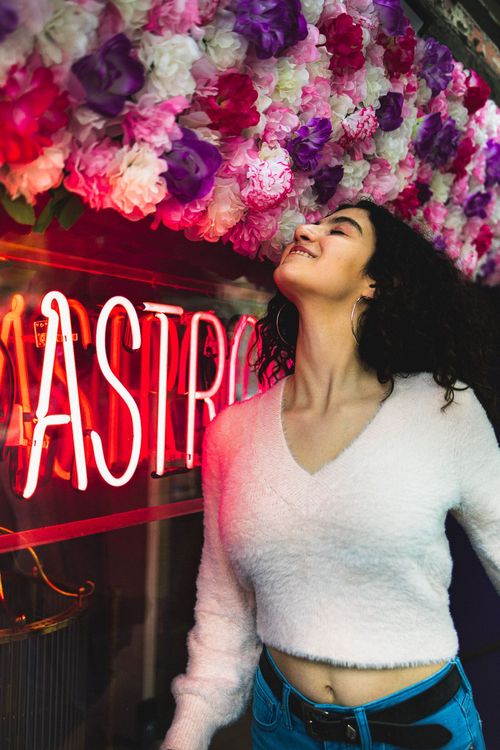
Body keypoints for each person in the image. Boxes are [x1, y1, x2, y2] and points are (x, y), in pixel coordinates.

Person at [161, 199, 499, 750]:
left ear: (376, 283)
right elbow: (224, 609)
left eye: (338, 229)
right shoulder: (233, 433)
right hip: (282, 729)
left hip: (421, 732)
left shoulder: (442, 409)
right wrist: (186, 735)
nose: (305, 230)